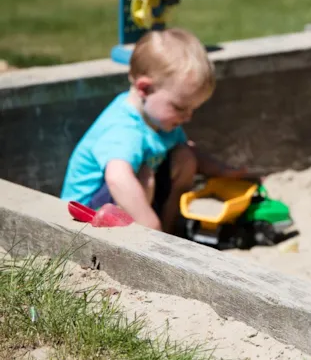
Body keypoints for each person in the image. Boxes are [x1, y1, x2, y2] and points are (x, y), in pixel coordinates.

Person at [61, 28, 248, 234]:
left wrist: (223, 171)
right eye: (180, 108)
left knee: (185, 158)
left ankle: (169, 231)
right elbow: (117, 178)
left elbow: (187, 150)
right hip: (87, 216)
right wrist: (149, 224)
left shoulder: (160, 121)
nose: (188, 117)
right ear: (144, 89)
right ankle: (152, 234)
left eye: (193, 109)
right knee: (145, 174)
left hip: (128, 203)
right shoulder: (125, 128)